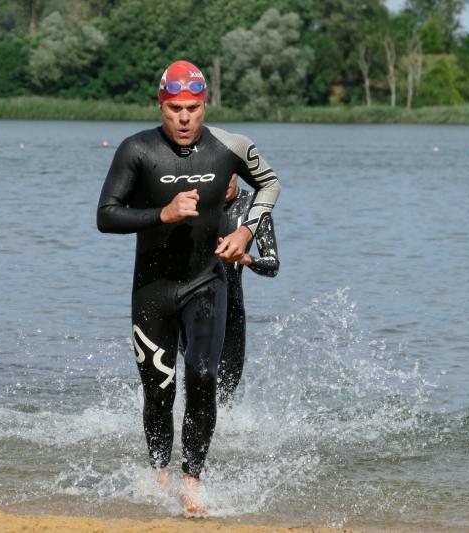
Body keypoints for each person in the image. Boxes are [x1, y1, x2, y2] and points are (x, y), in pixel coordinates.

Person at [97, 60, 280, 516]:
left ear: (205, 105)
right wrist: (162, 214)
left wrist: (246, 232)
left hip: (205, 284)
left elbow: (270, 183)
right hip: (152, 290)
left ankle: (192, 481)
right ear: (160, 105)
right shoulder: (136, 150)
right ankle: (159, 473)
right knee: (159, 392)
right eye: (174, 108)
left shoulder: (231, 146)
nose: (184, 118)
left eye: (193, 108)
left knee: (202, 375)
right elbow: (106, 215)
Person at [216, 174, 279, 405]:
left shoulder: (253, 207)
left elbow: (273, 265)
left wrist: (247, 259)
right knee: (199, 376)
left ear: (236, 173)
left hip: (232, 308)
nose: (224, 182)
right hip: (193, 305)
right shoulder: (197, 201)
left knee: (227, 389)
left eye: (229, 176)